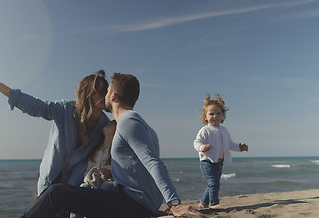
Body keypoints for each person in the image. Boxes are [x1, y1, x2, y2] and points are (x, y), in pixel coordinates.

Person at [20, 73, 200, 218]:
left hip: (133, 205)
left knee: (56, 193)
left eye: (107, 92)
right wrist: (114, 173)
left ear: (113, 96)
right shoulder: (138, 124)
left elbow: (153, 163)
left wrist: (174, 204)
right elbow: (139, 168)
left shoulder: (128, 122)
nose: (104, 95)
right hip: (134, 202)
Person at [0, 70, 111, 201]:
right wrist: (1, 87)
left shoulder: (105, 126)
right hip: (49, 179)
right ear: (88, 93)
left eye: (106, 89)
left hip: (73, 186)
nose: (105, 94)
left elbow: (105, 157)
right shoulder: (65, 109)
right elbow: (36, 106)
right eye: (101, 90)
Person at [193, 94, 249, 209]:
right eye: (211, 114)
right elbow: (196, 142)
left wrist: (239, 147)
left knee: (212, 184)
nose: (215, 116)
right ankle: (214, 204)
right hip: (207, 161)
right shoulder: (205, 130)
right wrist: (202, 147)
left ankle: (203, 203)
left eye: (218, 113)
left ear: (222, 116)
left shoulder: (224, 131)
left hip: (219, 162)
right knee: (214, 183)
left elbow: (229, 144)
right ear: (205, 117)